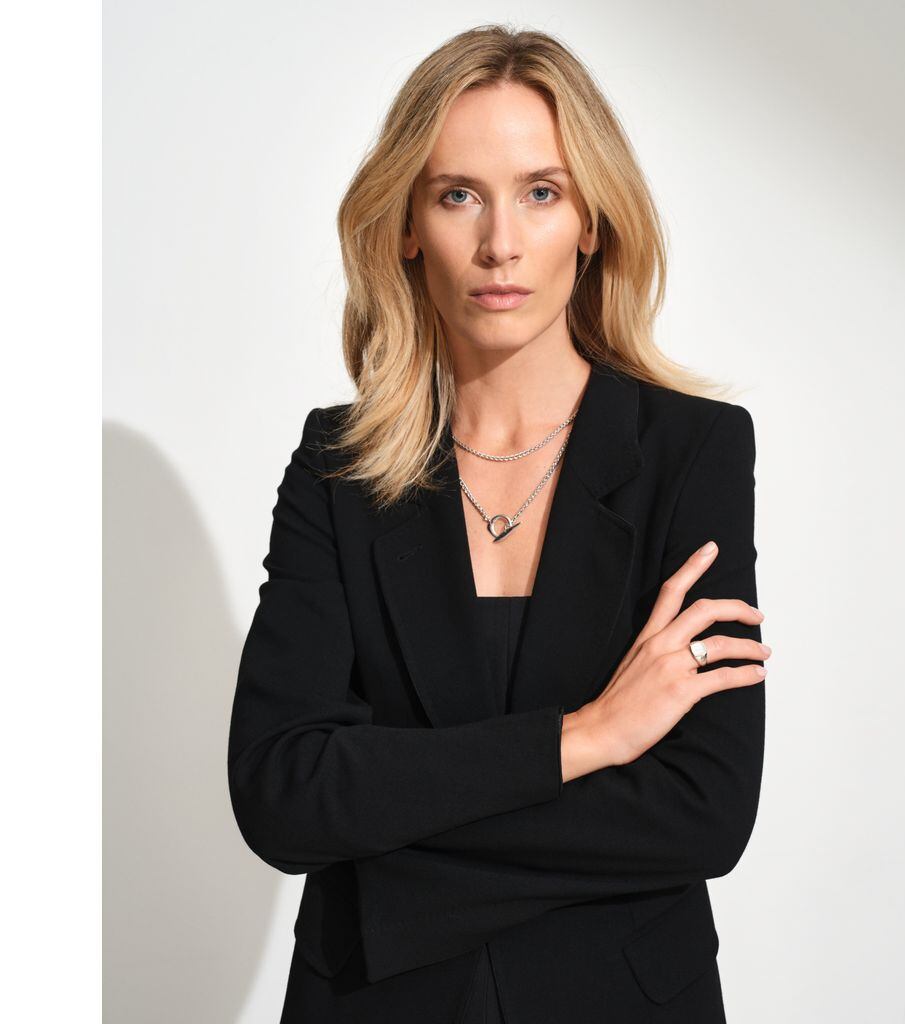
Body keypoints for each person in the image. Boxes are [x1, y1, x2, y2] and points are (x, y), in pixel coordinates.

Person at [227, 23, 770, 1024]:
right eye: (457, 195)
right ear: (405, 225)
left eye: (541, 192)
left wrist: (389, 853)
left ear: (592, 222)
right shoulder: (339, 465)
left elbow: (703, 811)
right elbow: (283, 792)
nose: (500, 244)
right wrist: (588, 737)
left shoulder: (691, 452)